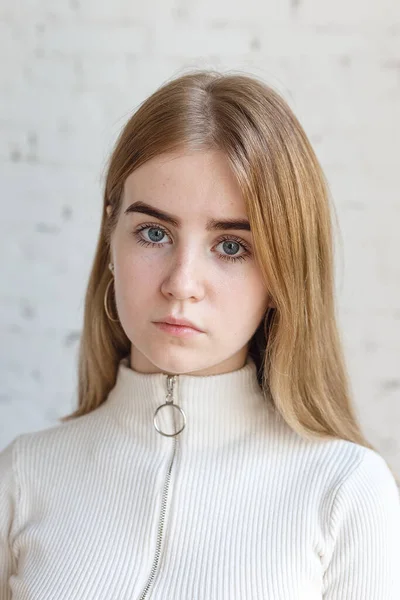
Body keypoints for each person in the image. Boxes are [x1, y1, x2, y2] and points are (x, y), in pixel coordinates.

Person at [0, 70, 399, 600]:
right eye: (154, 233)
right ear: (111, 236)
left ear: (284, 274)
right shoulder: (24, 478)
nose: (181, 284)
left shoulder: (346, 492)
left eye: (232, 246)